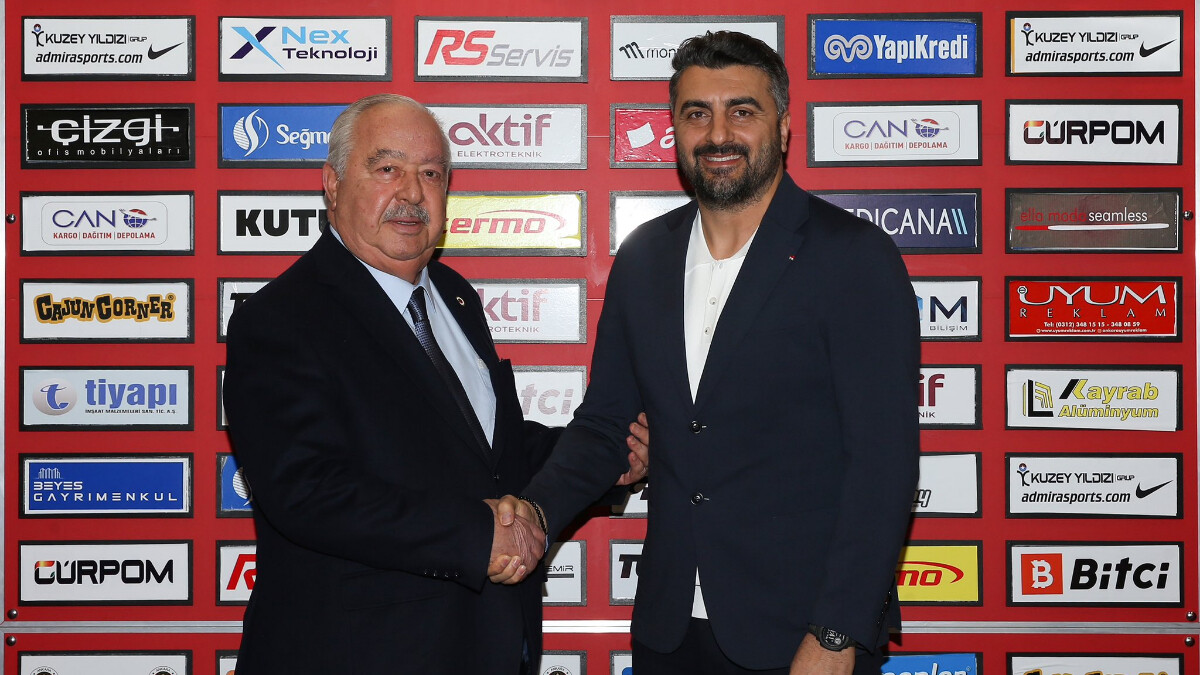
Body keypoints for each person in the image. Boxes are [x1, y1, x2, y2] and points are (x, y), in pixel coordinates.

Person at [507, 31, 920, 674]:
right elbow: (606, 424)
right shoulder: (645, 257)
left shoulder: (853, 257)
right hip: (670, 629)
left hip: (801, 633)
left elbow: (882, 464)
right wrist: (534, 512)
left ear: (783, 127)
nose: (718, 134)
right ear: (675, 128)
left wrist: (837, 632)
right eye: (697, 113)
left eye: (742, 111)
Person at [223, 94, 647, 674]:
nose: (412, 193)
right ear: (333, 184)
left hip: (486, 645)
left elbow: (489, 453)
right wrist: (478, 536)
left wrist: (606, 459)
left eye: (430, 173)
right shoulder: (279, 319)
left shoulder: (454, 296)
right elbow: (308, 490)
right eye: (387, 168)